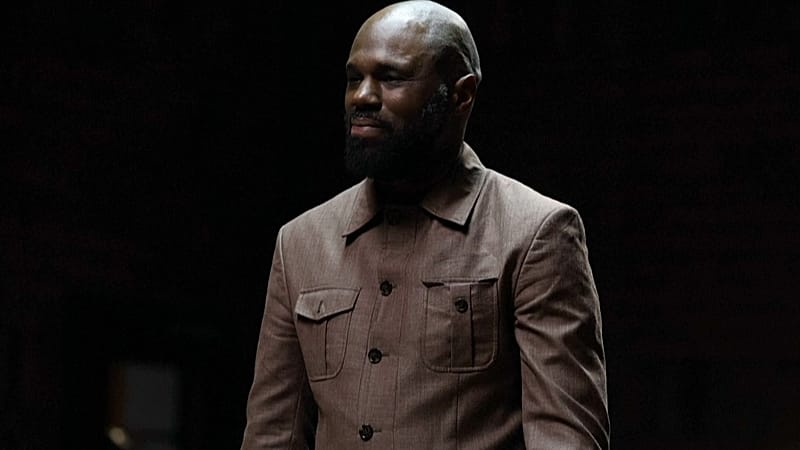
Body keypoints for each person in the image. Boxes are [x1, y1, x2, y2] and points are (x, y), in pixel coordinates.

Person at [240, 1, 610, 448]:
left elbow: (565, 439)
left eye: (391, 78)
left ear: (461, 95)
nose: (362, 97)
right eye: (354, 78)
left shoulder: (535, 233)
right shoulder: (300, 242)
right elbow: (272, 435)